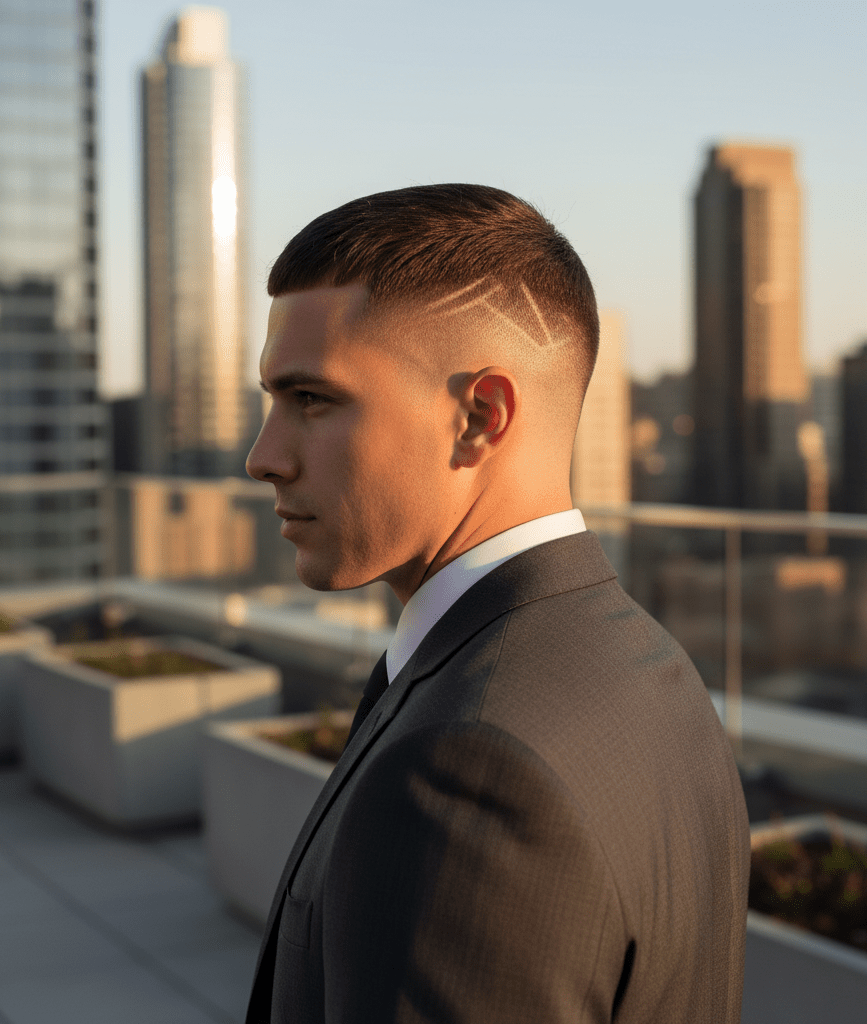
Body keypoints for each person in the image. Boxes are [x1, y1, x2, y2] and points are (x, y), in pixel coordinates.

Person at [244, 184, 749, 1024]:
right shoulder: (656, 673)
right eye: (271, 400)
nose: (263, 457)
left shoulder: (465, 773)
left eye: (312, 400)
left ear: (479, 416)